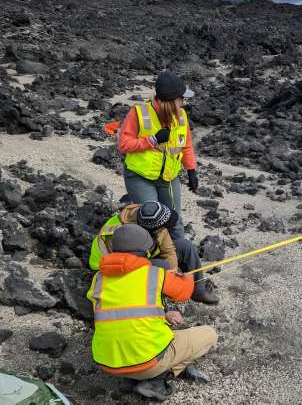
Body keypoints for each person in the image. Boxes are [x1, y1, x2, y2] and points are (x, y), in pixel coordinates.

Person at [87, 224, 218, 402]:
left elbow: (122, 310)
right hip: (146, 361)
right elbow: (185, 292)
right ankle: (157, 378)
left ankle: (137, 375)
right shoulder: (154, 274)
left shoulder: (98, 280)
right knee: (210, 335)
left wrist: (163, 314)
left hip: (107, 363)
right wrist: (181, 275)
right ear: (146, 249)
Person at [118, 71, 199, 242]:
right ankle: (152, 262)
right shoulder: (138, 113)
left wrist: (192, 170)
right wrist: (152, 140)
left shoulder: (181, 116)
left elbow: (186, 145)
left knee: (174, 221)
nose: (184, 102)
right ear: (172, 101)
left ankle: (180, 261)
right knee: (151, 221)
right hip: (140, 177)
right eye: (181, 99)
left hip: (168, 178)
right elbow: (123, 145)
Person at [88, 200, 219, 304]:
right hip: (109, 268)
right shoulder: (123, 234)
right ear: (151, 229)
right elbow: (125, 266)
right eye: (164, 226)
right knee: (162, 266)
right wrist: (166, 278)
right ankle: (157, 297)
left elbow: (168, 251)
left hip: (142, 255)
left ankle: (198, 290)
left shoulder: (149, 214)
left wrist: (173, 272)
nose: (166, 228)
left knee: (185, 246)